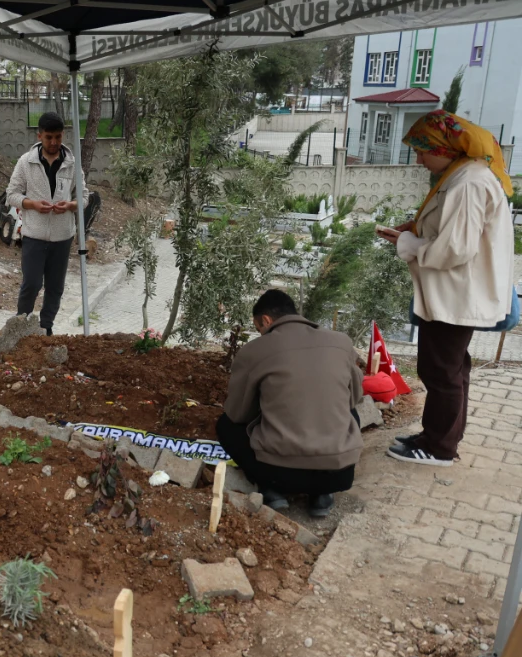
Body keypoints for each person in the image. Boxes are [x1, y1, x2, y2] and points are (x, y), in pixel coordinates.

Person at [379, 110, 515, 466]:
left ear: (443, 148)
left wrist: (408, 243)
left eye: (422, 150)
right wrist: (416, 229)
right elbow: (455, 231)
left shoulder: (468, 183)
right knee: (452, 369)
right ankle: (440, 436)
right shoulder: (464, 175)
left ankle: (439, 447)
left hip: (457, 294)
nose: (419, 159)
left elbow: (455, 248)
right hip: (456, 292)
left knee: (440, 371)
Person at [215, 290, 363, 518]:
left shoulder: (255, 350)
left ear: (266, 320)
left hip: (279, 473)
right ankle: (322, 494)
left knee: (226, 426)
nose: (260, 333)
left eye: (258, 328)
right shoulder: (341, 343)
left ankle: (270, 490)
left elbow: (238, 413)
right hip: (339, 473)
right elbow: (355, 398)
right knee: (350, 412)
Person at [5, 111, 85, 337]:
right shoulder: (26, 162)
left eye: (58, 137)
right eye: (49, 137)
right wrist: (32, 204)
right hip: (34, 235)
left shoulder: (72, 163)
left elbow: (84, 196)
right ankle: (21, 324)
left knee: (55, 287)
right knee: (31, 283)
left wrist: (70, 205)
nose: (53, 142)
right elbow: (12, 194)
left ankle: (46, 326)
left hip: (63, 236)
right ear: (39, 136)